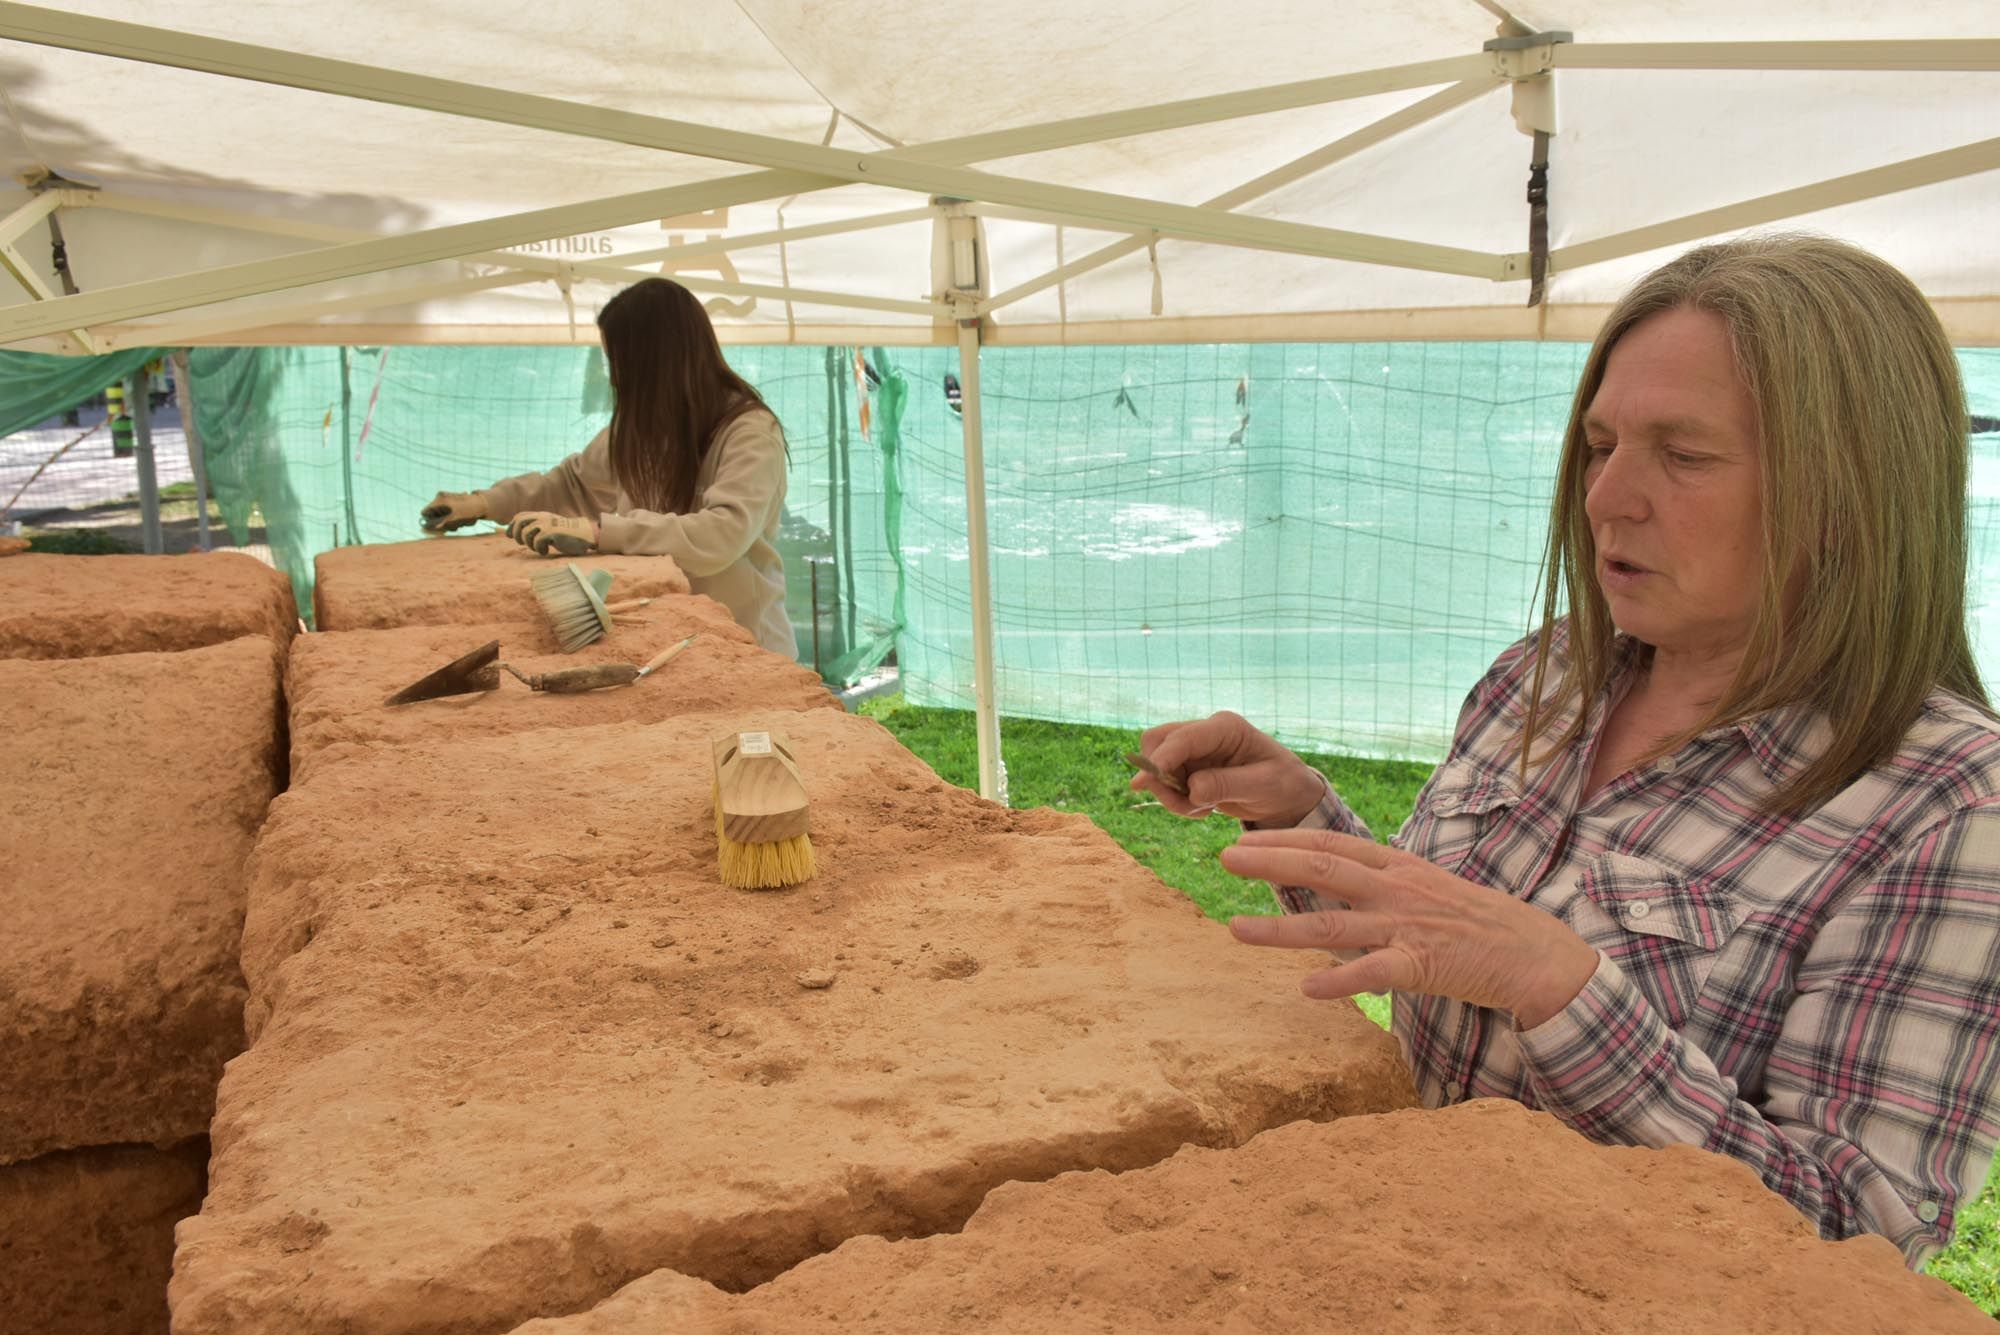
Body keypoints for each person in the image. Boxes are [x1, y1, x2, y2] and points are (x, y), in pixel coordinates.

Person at [1131, 234, 2000, 1267]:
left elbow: (1849, 1244)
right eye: (1599, 445)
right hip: (1402, 1271)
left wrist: (1561, 993)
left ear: (1848, 493)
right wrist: (1298, 815)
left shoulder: (1948, 803)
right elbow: (1439, 943)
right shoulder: (1543, 678)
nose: (1606, 499)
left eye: (1682, 455)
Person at [420, 277, 797, 657]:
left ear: (656, 359)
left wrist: (599, 532)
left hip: (746, 642)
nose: (613, 376)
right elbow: (571, 485)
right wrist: (485, 503)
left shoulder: (749, 432)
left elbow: (721, 536)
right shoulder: (643, 428)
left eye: (618, 361)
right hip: (671, 639)